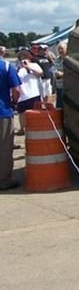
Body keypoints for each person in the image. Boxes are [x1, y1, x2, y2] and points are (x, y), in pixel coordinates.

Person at [0, 52, 21, 190]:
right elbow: (16, 90)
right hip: (3, 112)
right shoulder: (7, 66)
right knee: (4, 147)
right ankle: (3, 180)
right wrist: (13, 102)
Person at [14, 50, 43, 136]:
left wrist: (28, 67)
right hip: (22, 96)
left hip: (34, 94)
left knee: (35, 115)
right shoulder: (18, 69)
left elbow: (40, 73)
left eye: (25, 58)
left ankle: (36, 130)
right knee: (21, 114)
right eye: (20, 59)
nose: (23, 61)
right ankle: (22, 129)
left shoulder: (34, 65)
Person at [54, 42, 67, 108]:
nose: (60, 50)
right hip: (59, 87)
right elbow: (53, 69)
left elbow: (73, 73)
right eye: (59, 49)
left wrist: (62, 74)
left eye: (62, 48)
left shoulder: (69, 59)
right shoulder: (57, 60)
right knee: (59, 107)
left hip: (67, 88)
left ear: (66, 49)